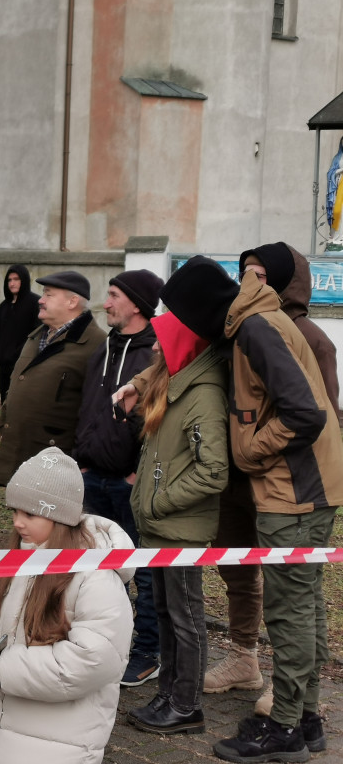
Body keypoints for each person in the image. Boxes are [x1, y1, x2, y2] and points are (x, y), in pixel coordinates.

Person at [130, 256, 342, 762]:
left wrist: (248, 452)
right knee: (304, 609)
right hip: (303, 489)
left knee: (290, 614)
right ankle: (305, 719)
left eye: (172, 312)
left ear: (196, 312)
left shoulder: (255, 330)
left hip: (294, 492)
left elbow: (305, 414)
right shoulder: (247, 325)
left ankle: (286, 729)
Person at [205, 242, 343, 709]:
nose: (248, 281)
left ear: (283, 282)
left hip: (285, 480)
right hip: (241, 479)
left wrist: (254, 450)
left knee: (296, 594)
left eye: (259, 274)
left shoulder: (299, 336)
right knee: (239, 571)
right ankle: (245, 658)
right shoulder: (239, 330)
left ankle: (297, 697)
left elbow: (316, 416)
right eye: (244, 271)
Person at [0, 447, 134, 764]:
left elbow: (94, 660)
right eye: (14, 511)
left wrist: (4, 669)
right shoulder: (14, 562)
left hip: (62, 743)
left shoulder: (96, 578)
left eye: (29, 514)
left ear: (59, 515)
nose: (17, 523)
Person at [119, 311, 228, 735]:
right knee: (165, 613)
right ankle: (168, 694)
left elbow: (213, 470)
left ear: (181, 347)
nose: (153, 347)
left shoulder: (202, 395)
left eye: (162, 341)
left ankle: (187, 705)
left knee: (185, 617)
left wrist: (159, 503)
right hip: (161, 527)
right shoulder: (175, 386)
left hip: (180, 529)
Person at [72, 269, 164, 687]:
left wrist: (134, 473)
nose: (105, 303)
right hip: (92, 477)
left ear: (136, 304)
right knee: (97, 569)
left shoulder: (154, 356)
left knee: (141, 570)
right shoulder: (104, 347)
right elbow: (90, 406)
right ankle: (111, 641)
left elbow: (156, 421)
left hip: (128, 483)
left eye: (113, 295)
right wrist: (84, 459)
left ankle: (147, 651)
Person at [0, 270, 105, 487]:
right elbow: (19, 381)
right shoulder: (37, 336)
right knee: (25, 515)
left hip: (57, 455)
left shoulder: (95, 344)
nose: (40, 300)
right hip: (22, 446)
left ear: (72, 301)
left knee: (48, 517)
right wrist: (3, 423)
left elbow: (96, 407)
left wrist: (84, 455)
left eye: (48, 295)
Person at [0, 264, 39, 399]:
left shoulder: (35, 303)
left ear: (24, 280)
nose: (12, 283)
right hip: (4, 366)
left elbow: (36, 334)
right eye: (9, 280)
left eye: (16, 279)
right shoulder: (3, 306)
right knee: (4, 403)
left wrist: (21, 356)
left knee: (19, 403)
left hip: (24, 366)